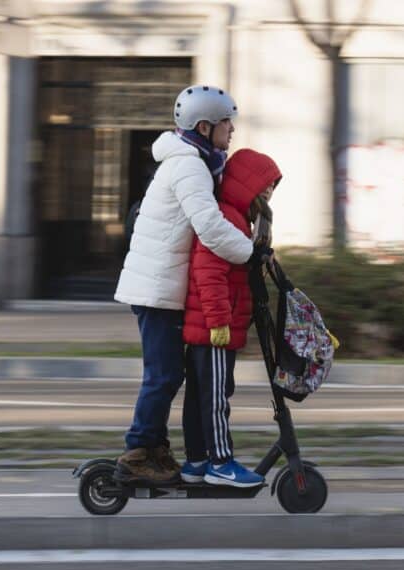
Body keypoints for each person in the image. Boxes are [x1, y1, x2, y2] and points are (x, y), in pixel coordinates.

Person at [113, 85, 270, 485]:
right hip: (156, 288)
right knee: (163, 375)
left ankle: (155, 449)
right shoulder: (189, 166)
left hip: (162, 285)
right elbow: (211, 227)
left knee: (170, 374)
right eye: (225, 123)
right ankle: (138, 452)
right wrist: (252, 253)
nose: (232, 130)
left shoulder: (197, 161)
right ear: (205, 127)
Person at [180, 148, 280, 487]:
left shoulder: (234, 218)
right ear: (246, 185)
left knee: (200, 397)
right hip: (214, 331)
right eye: (265, 186)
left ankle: (196, 462)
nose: (268, 193)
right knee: (215, 398)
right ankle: (221, 462)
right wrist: (220, 322)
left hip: (206, 330)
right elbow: (208, 274)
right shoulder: (228, 218)